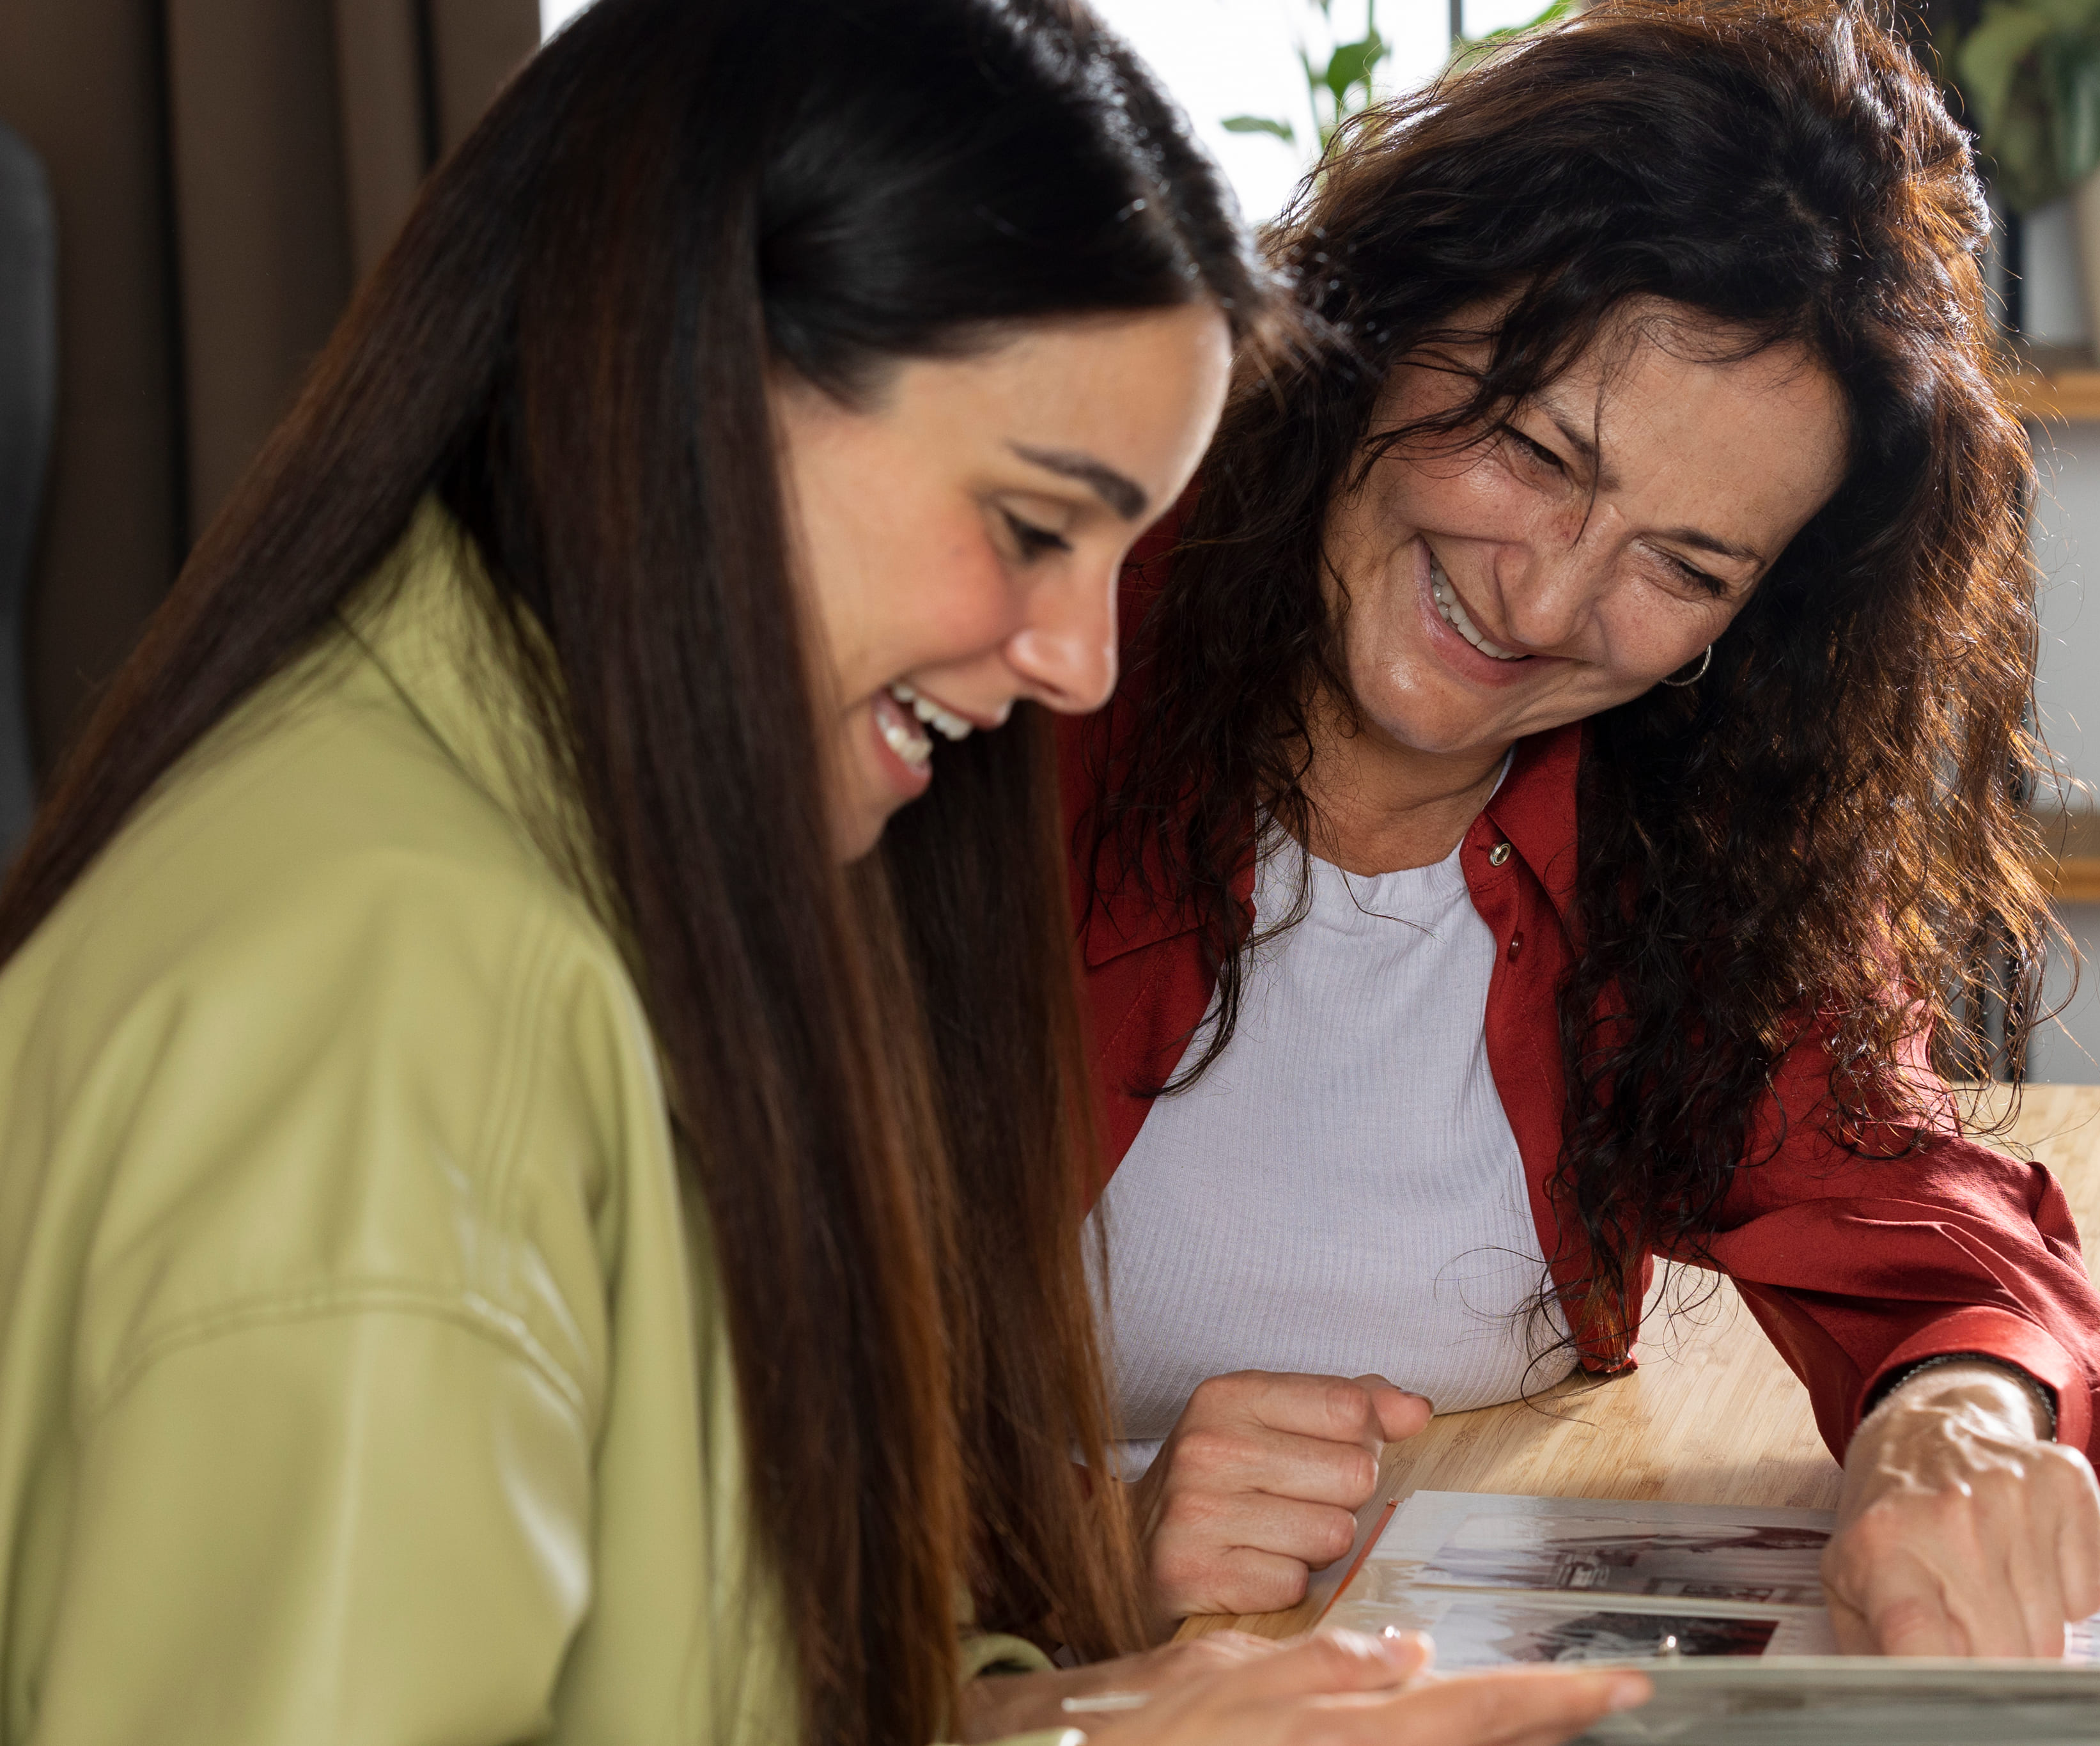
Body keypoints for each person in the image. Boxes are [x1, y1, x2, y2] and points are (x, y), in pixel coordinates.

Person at [0, 3, 1648, 1743]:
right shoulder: (405, 1001)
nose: (1084, 661)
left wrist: (1078, 1717)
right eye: (1029, 527)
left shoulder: (535, 845)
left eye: (1118, 555)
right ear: (682, 379)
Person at [1068, 0, 2100, 1658]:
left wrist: (1962, 1409)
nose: (1552, 598)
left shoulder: (1685, 827)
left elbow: (1931, 1240)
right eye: (1531, 447)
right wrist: (1074, 1534)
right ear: (1373, 328)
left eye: (1688, 566)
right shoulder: (1032, 653)